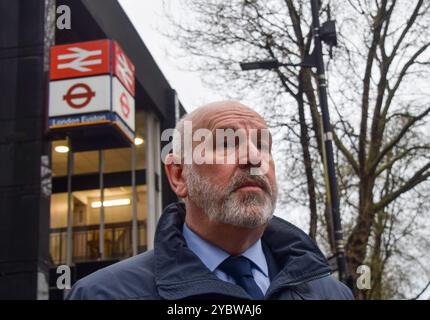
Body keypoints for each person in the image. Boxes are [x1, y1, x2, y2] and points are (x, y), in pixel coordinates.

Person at [67, 101, 353, 300]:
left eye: (262, 145)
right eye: (227, 143)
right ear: (179, 175)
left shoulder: (333, 294)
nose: (254, 158)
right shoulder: (102, 294)